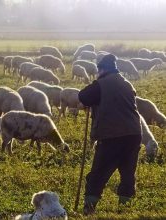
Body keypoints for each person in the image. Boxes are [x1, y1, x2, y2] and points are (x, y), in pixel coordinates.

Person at [78, 54, 142, 215]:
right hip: (134, 134)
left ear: (102, 70)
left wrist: (95, 83)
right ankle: (124, 209)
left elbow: (83, 96)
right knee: (128, 172)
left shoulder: (102, 83)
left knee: (99, 172)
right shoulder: (127, 83)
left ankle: (89, 208)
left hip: (112, 134)